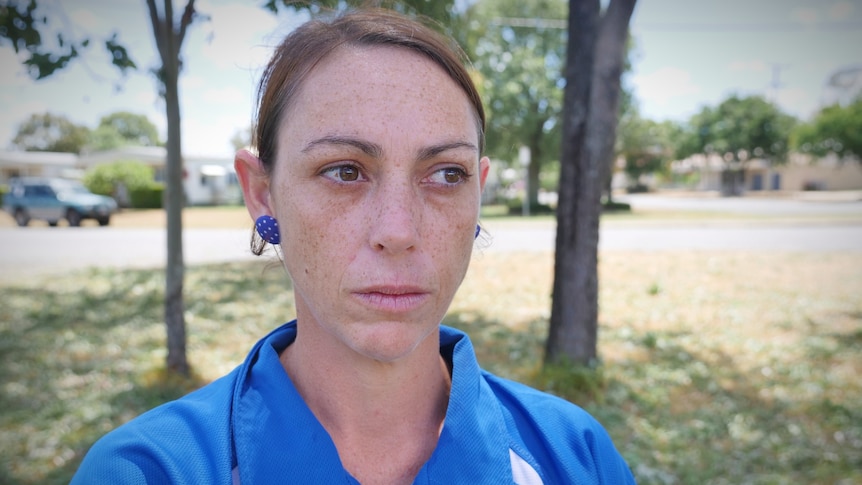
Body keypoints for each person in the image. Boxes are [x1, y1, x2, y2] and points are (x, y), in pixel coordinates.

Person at [71, 8, 635, 485]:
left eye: (445, 175)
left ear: (479, 194)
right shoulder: (149, 470)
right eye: (345, 170)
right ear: (263, 195)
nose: (399, 231)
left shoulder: (575, 455)